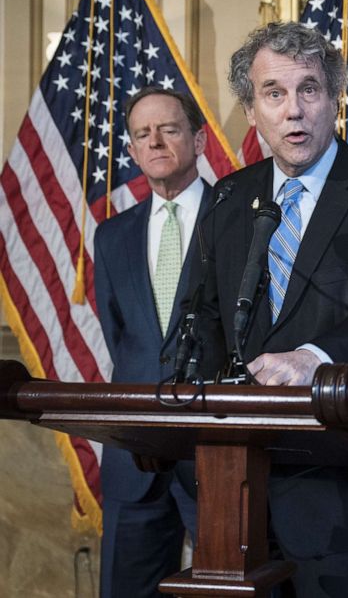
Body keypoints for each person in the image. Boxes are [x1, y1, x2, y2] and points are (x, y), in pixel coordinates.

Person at [190, 21, 348, 597]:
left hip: (346, 494)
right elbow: (204, 321)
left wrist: (314, 358)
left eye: (309, 90)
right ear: (251, 111)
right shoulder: (227, 198)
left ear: (334, 99)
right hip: (237, 501)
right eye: (273, 93)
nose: (293, 111)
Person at [93, 87, 208, 597]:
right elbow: (121, 337)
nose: (155, 141)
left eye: (169, 129)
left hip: (216, 455)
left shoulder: (241, 219)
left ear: (198, 138)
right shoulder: (111, 236)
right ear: (134, 151)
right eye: (143, 134)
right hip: (134, 456)